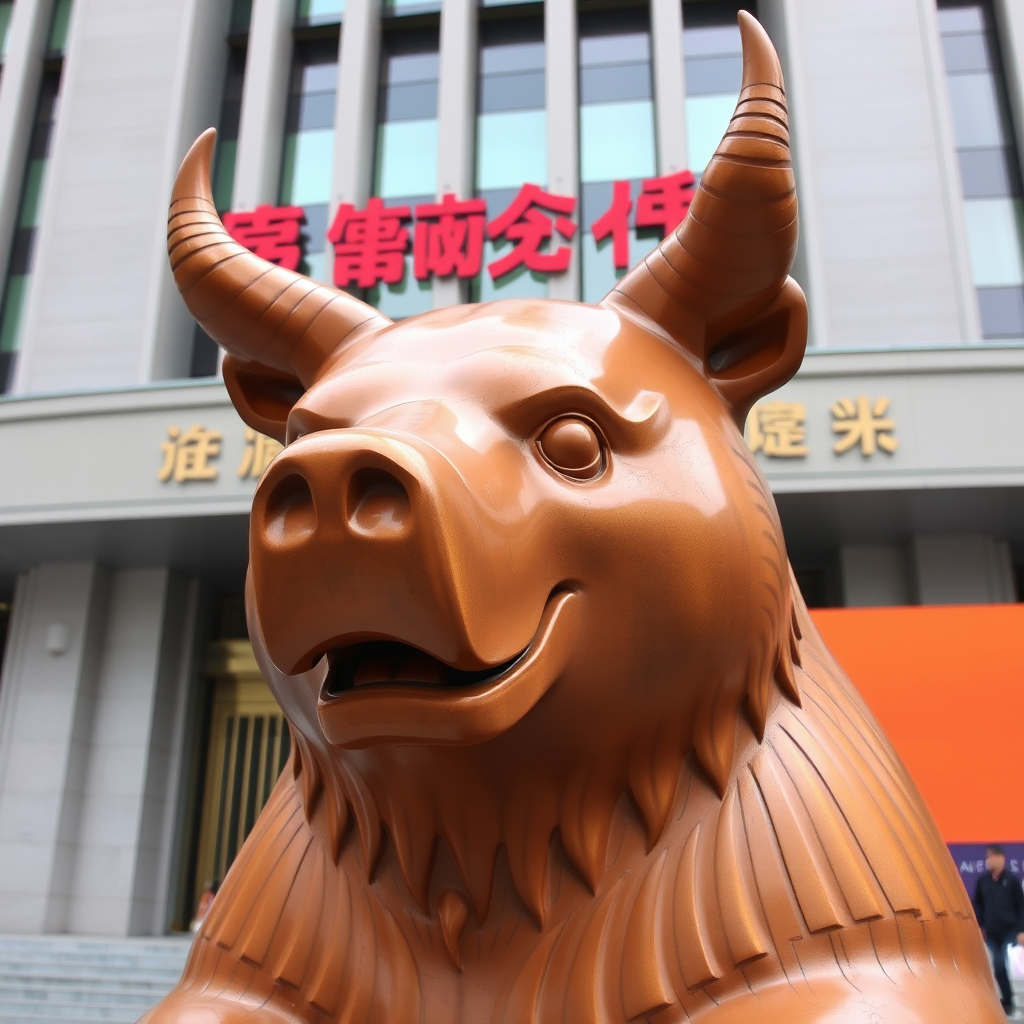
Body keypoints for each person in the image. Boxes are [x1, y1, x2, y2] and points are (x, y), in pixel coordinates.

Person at [974, 844, 1024, 1017]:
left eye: (992, 856)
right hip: (992, 933)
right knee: (998, 966)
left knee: (1002, 963)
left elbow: (1021, 907)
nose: (989, 860)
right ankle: (1007, 1001)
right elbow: (978, 906)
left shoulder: (1012, 881)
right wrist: (980, 926)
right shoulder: (983, 882)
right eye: (987, 856)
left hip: (1010, 931)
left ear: (1002, 858)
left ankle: (1009, 1001)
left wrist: (1021, 930)